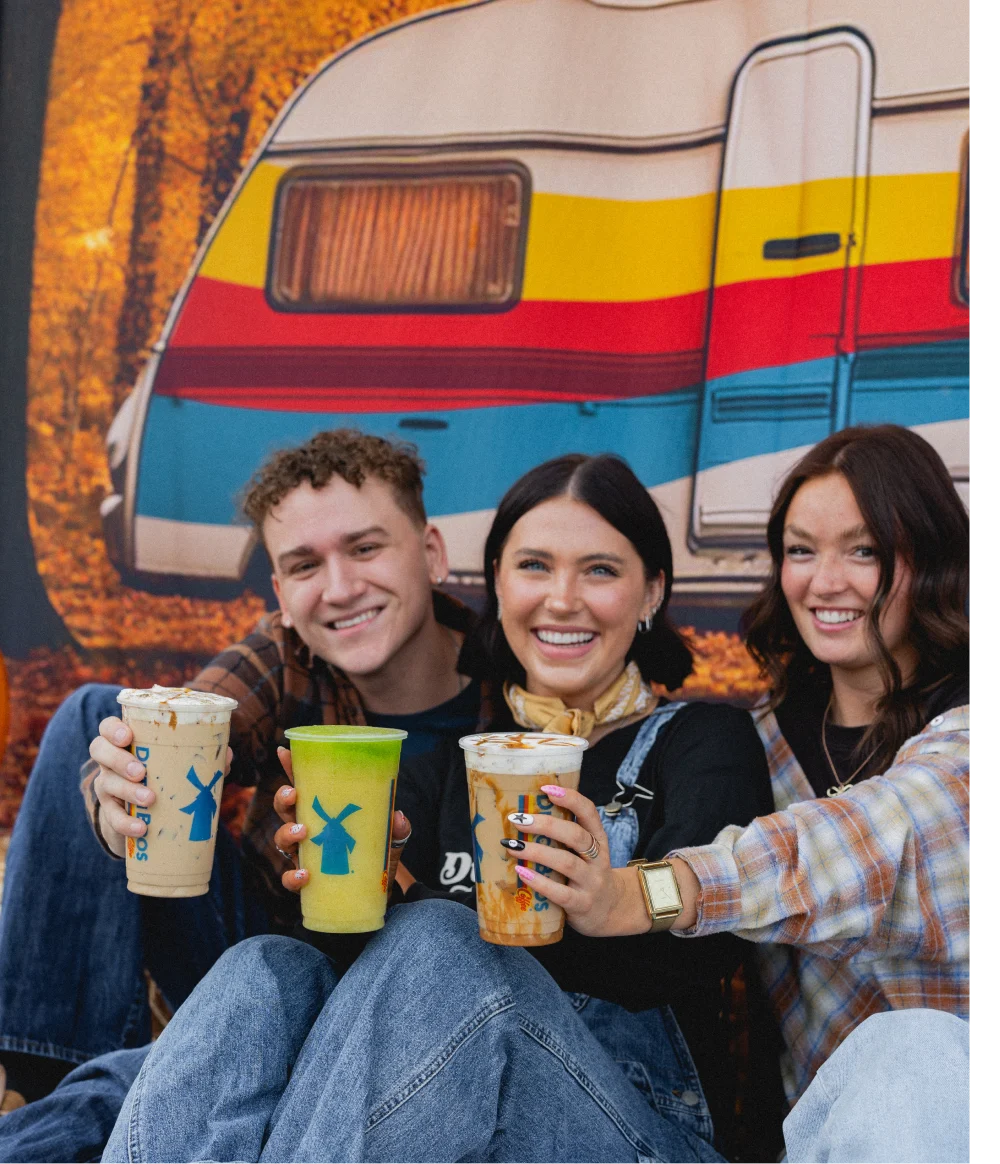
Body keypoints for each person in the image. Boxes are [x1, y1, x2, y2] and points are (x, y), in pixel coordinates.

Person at [96, 451, 774, 1163]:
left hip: (641, 1125)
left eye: (600, 570)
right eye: (534, 567)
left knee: (440, 940)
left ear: (652, 593)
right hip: (465, 1122)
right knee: (267, 967)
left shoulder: (703, 740)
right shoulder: (455, 766)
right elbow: (365, 1008)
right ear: (499, 590)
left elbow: (719, 929)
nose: (562, 598)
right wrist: (349, 880)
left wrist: (613, 899)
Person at [0, 430, 478, 1118]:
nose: (341, 588)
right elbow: (178, 729)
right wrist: (116, 808)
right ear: (282, 592)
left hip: (414, 1013)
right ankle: (41, 1084)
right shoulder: (287, 658)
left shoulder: (510, 691)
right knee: (96, 717)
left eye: (367, 548)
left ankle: (89, 1109)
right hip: (259, 964)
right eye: (306, 566)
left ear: (431, 553)